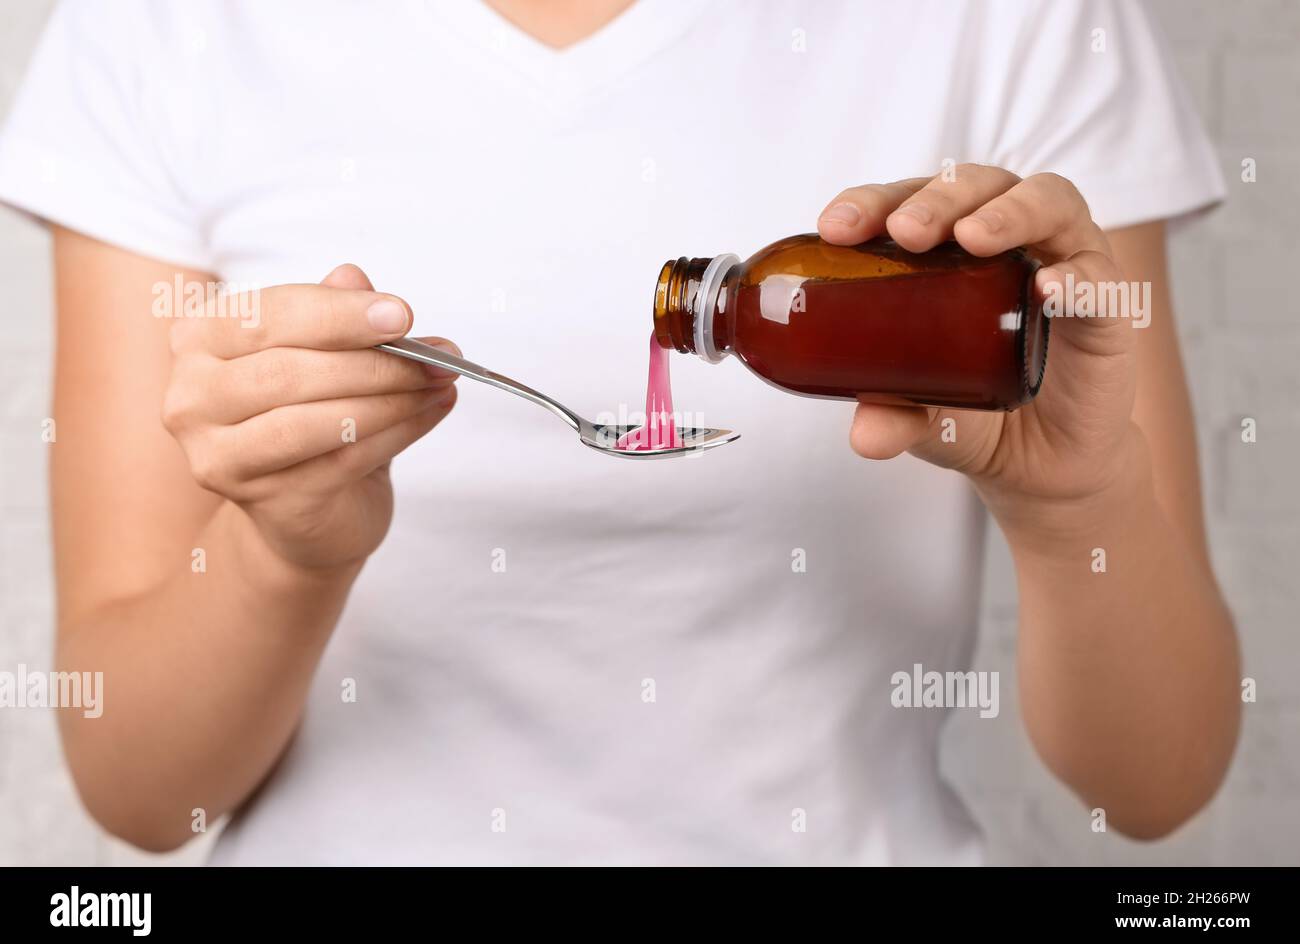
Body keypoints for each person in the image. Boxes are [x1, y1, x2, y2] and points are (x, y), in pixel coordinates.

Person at [0, 0, 1239, 865]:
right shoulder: (160, 26)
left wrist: (1078, 506)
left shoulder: (1013, 18)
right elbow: (143, 794)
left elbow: (1156, 786)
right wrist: (283, 554)